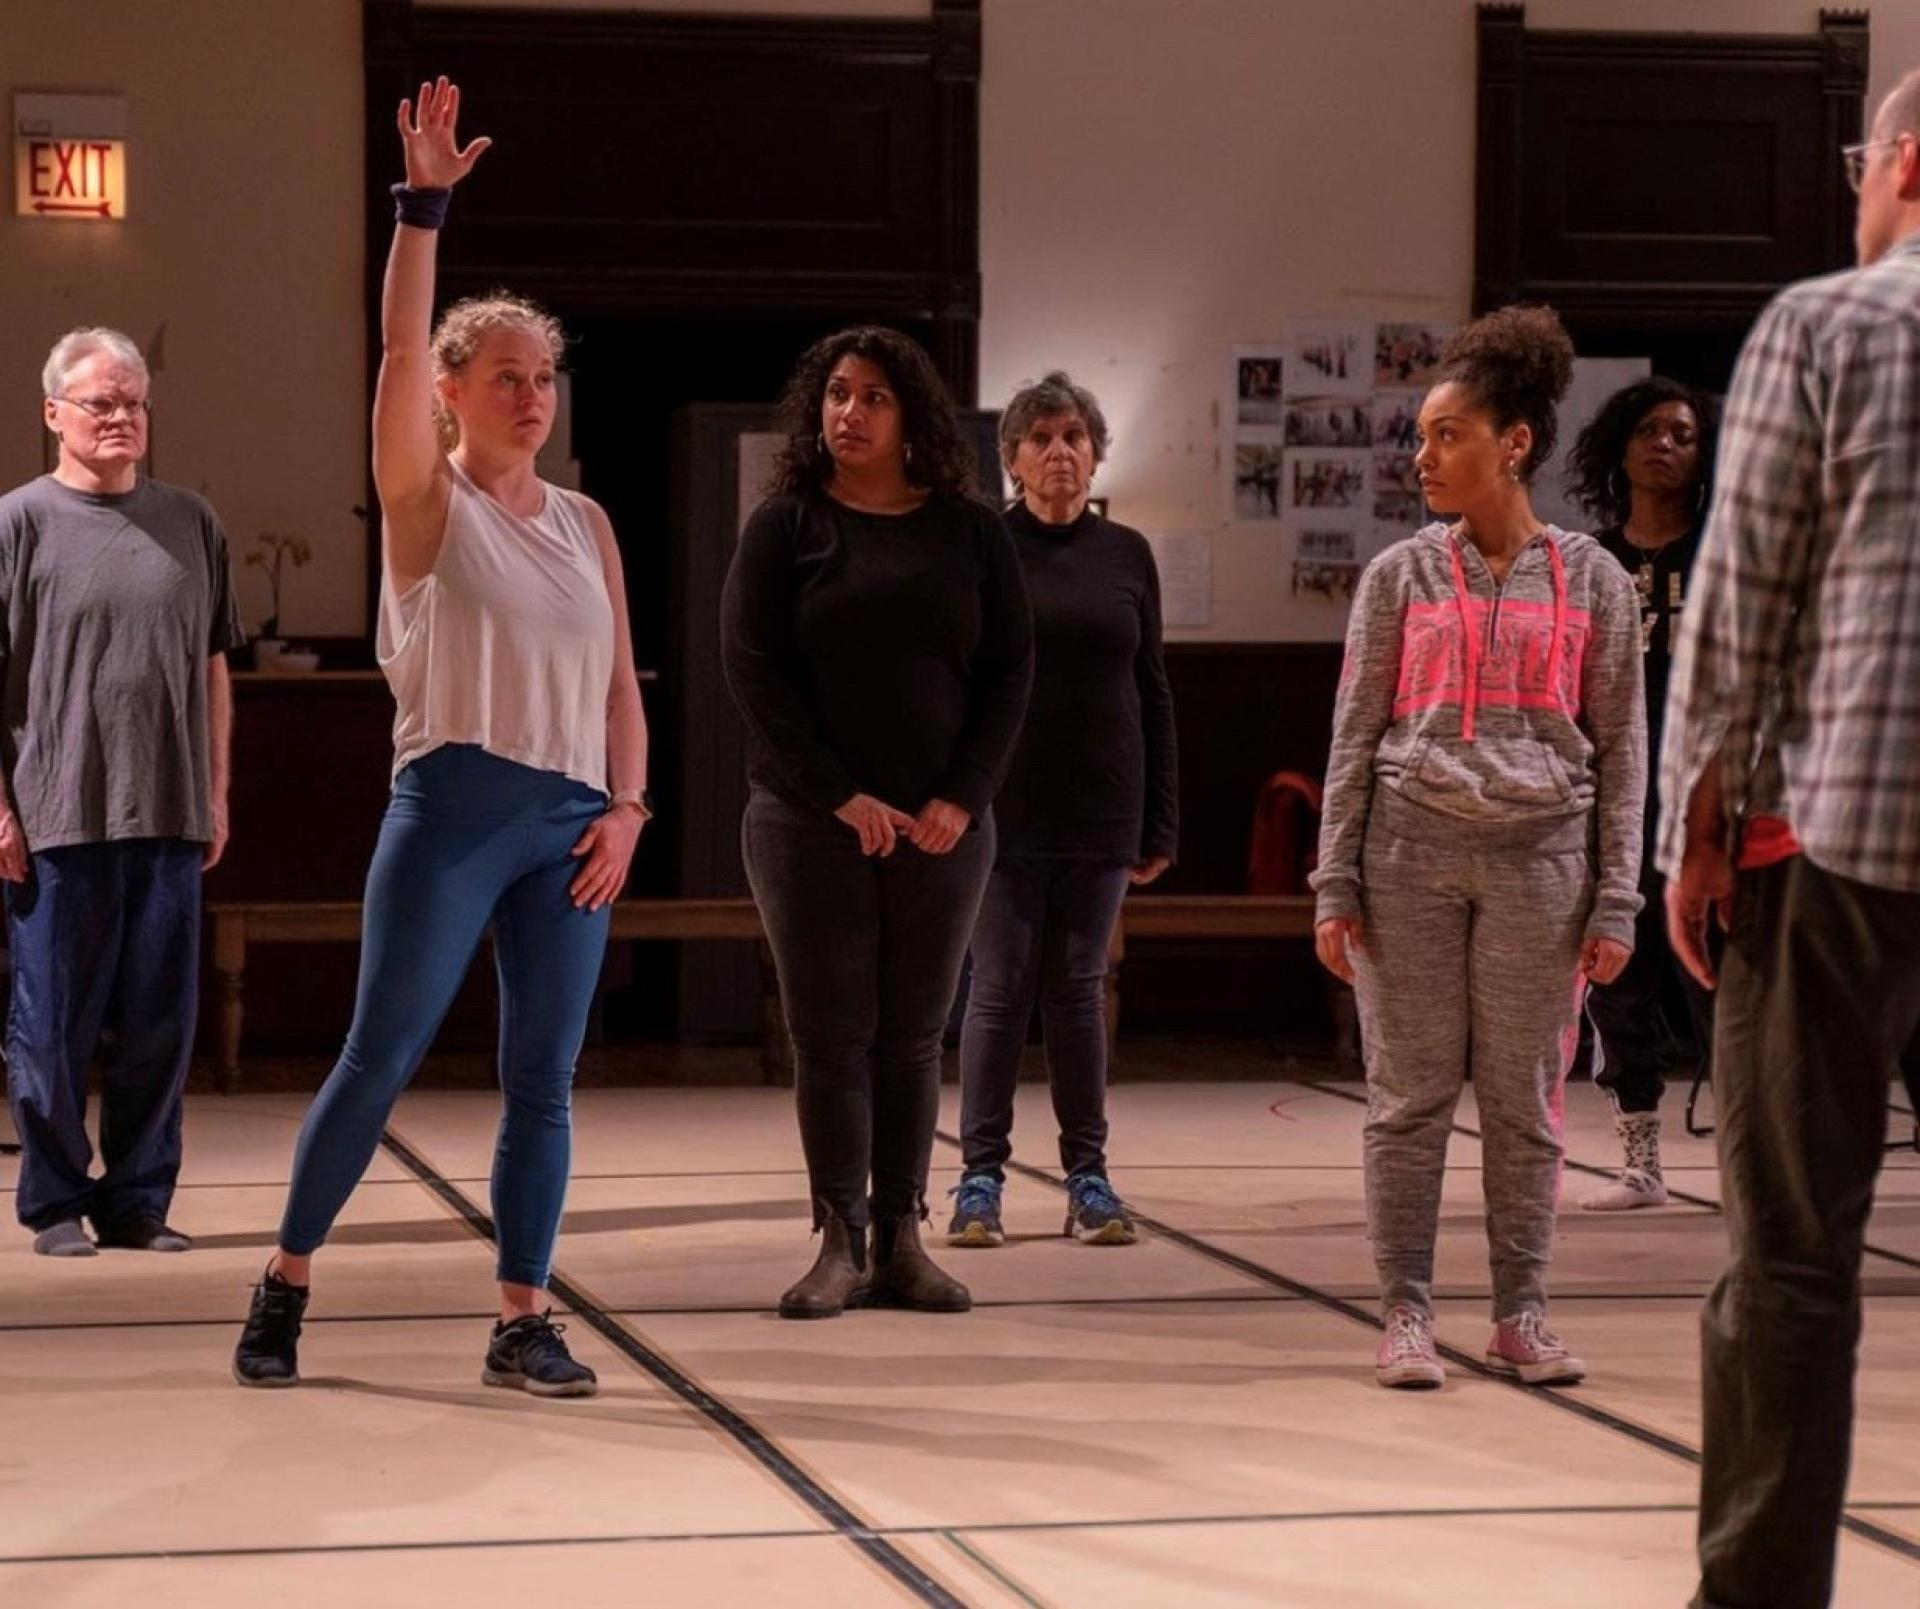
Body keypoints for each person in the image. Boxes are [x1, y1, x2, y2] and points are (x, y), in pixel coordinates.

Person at [234, 78, 651, 1394]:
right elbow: (396, 355)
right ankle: (286, 1280)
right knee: (382, 1056)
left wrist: (629, 811)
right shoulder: (424, 502)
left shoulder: (587, 523)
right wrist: (422, 209)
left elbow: (622, 690)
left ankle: (523, 1315)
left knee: (546, 1080)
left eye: (545, 379)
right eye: (505, 378)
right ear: (457, 394)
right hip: (453, 807)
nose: (531, 397)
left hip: (571, 824)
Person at [1663, 70, 1920, 1609]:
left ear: (1911, 161)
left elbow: (1744, 600)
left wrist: (1701, 826)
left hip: (1849, 854)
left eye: (1862, 158)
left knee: (1794, 1259)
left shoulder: (1832, 326)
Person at [1310, 305, 1645, 1391]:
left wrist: (1617, 898)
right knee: (1407, 1100)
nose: (1424, 457)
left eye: (1447, 433)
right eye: (1421, 436)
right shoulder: (1401, 576)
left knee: (1526, 1105)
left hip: (1545, 867)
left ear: (1515, 443)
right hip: (1407, 857)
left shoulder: (1594, 578)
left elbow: (1624, 747)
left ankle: (1521, 1313)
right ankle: (1405, 1312)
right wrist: (1334, 879)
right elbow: (1355, 734)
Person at [723, 325, 1032, 1320]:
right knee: (829, 1032)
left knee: (910, 1037)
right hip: (811, 822)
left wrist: (961, 797)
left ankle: (902, 1237)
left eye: (872, 398)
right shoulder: (787, 524)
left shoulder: (970, 530)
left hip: (942, 826)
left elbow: (1008, 673)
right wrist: (835, 794)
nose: (847, 414)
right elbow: (753, 673)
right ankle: (839, 1240)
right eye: (837, 395)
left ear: (912, 419)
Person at [0, 327, 243, 1257]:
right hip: (56, 814)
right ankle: (54, 1200)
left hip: (172, 811)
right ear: (53, 412)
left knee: (159, 1025)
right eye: (101, 401)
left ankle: (138, 1198)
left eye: (134, 402)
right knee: (50, 1025)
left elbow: (216, 666)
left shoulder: (193, 521)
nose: (121, 417)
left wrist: (216, 788)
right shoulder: (18, 523)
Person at [947, 372, 1177, 1249]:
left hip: (1103, 807)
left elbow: (1151, 688)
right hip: (1000, 811)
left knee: (1079, 993)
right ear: (1010, 458)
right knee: (1000, 992)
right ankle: (979, 1180)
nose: (1058, 452)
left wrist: (1161, 819)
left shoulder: (1127, 554)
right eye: (1039, 438)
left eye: (1073, 435)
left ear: (1095, 452)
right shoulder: (983, 548)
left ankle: (1090, 1178)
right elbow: (958, 687)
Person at [1564, 378, 1721, 1209]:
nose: (1664, 443)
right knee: (1619, 981)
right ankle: (1640, 1161)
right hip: (1612, 799)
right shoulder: (1589, 562)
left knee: (1721, 984)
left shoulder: (1726, 556)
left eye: (1683, 433)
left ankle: (1754, 1158)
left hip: (1711, 800)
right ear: (1619, 447)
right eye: (1649, 430)